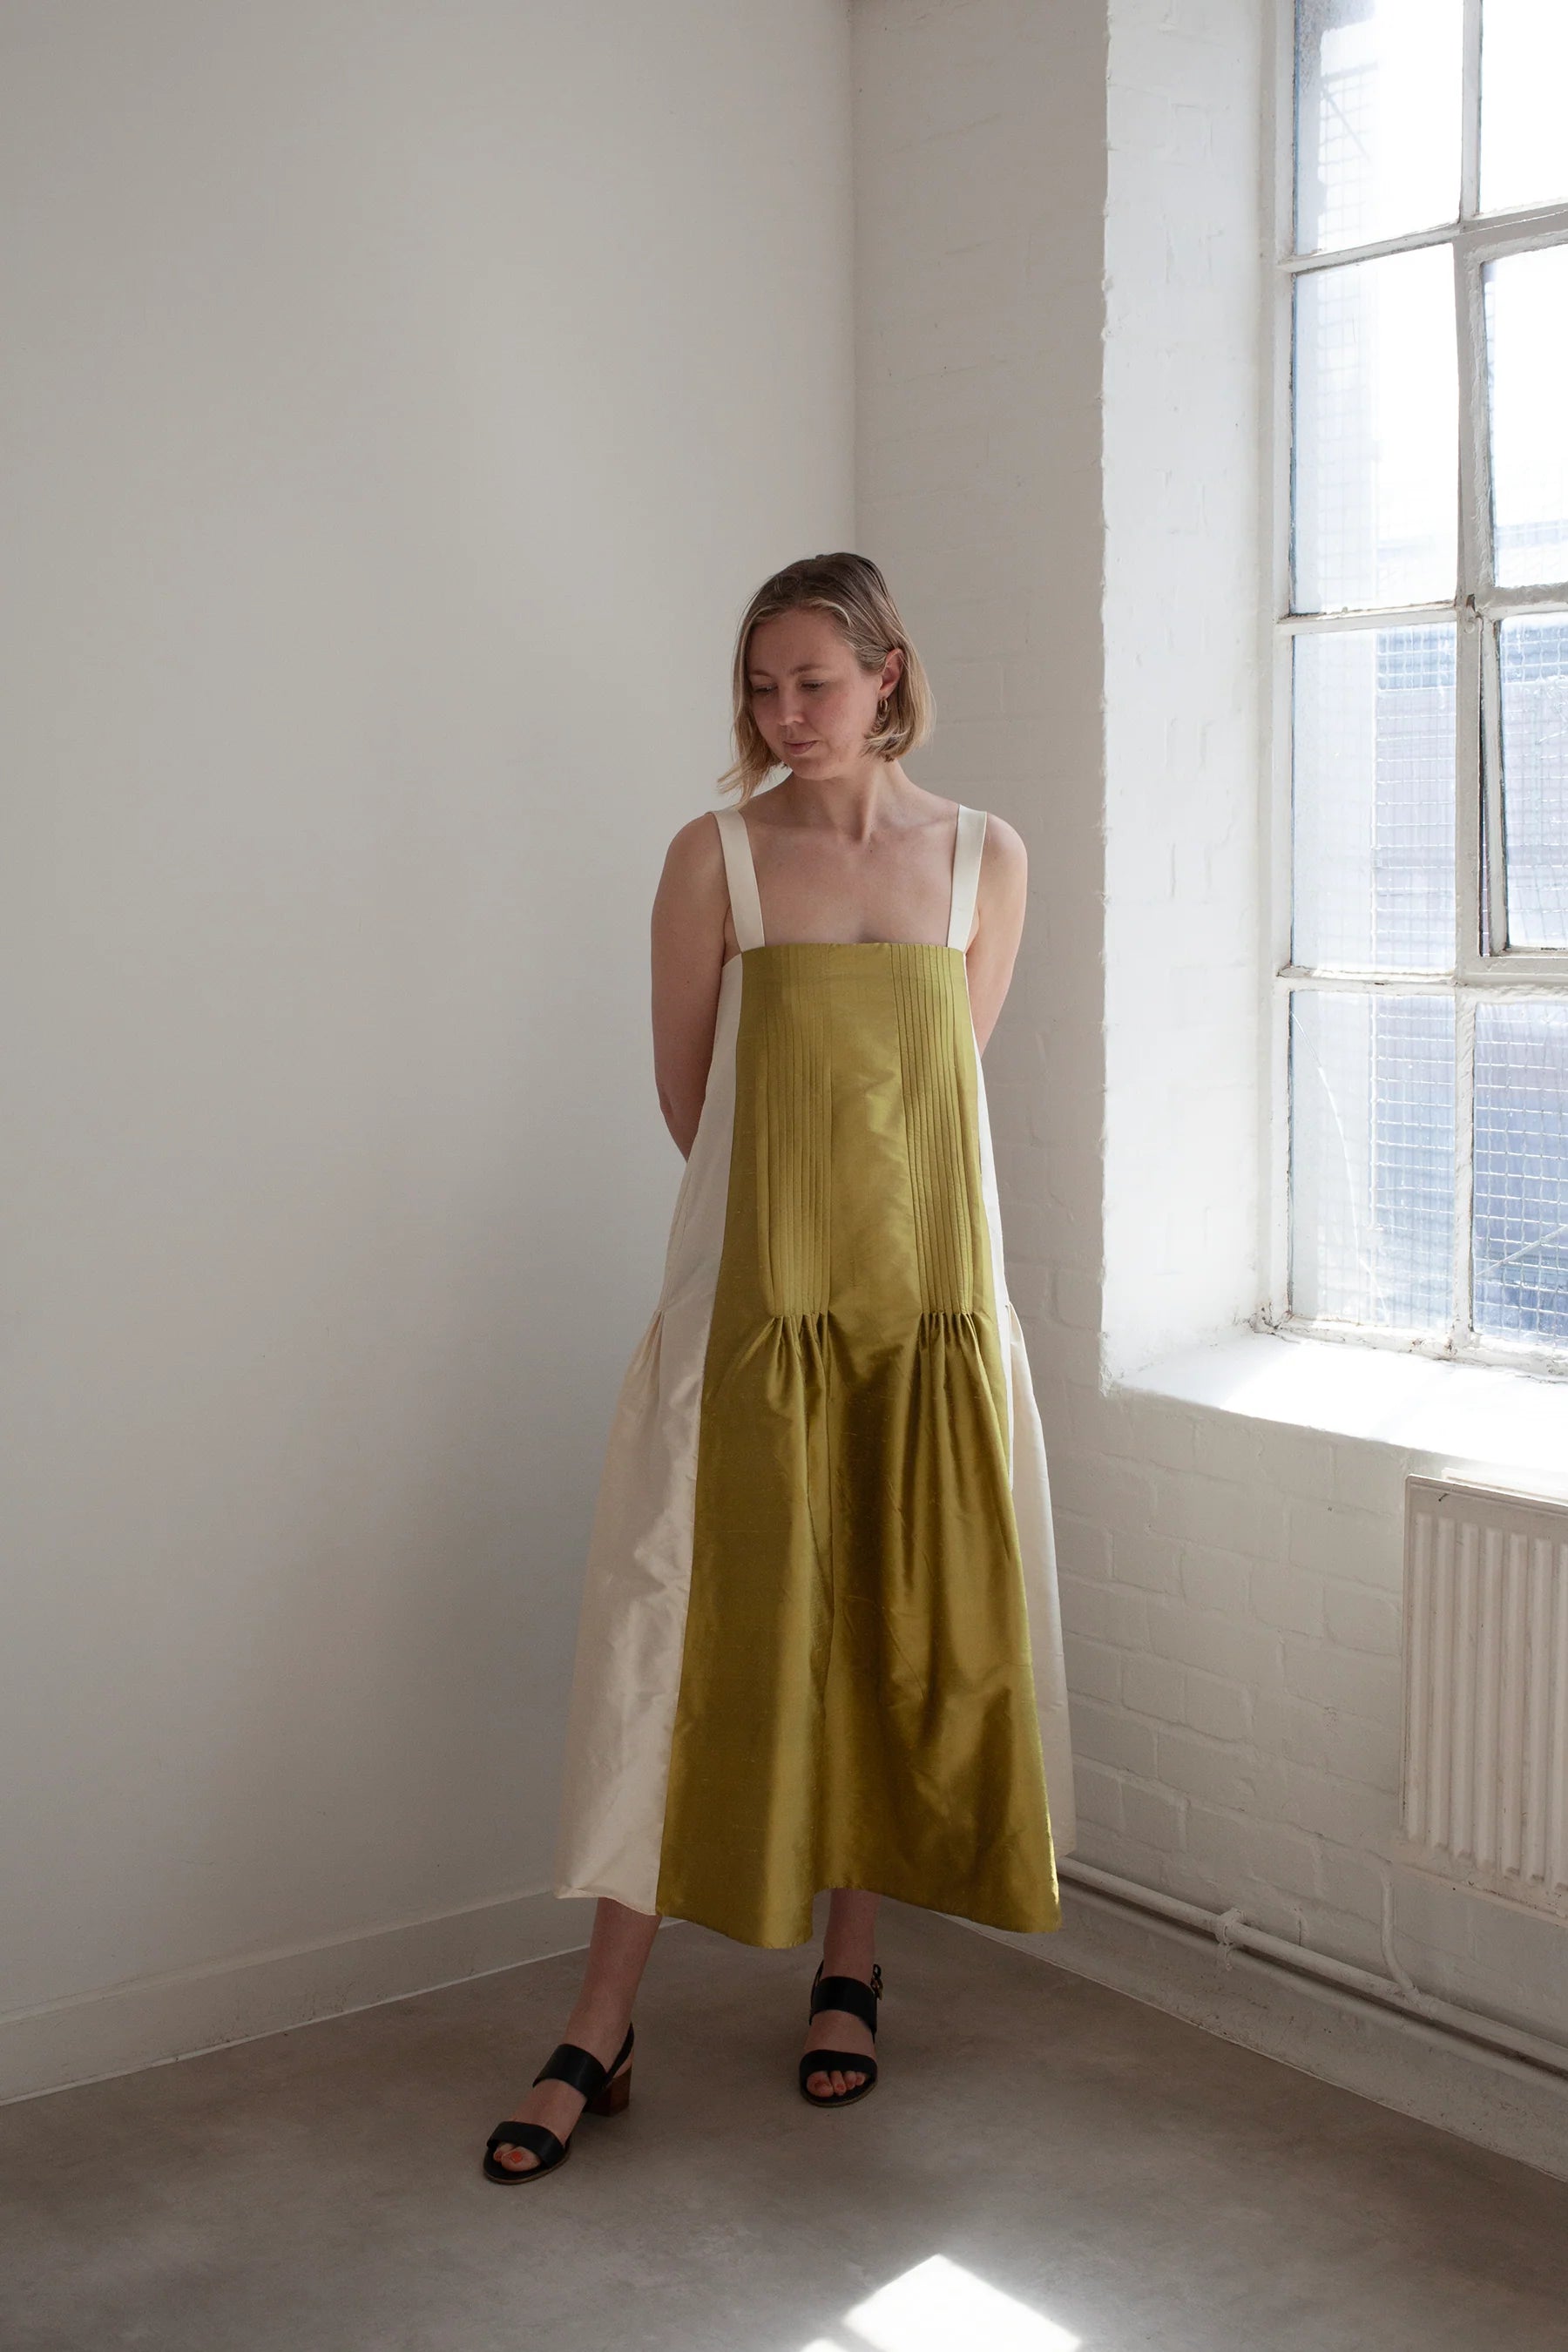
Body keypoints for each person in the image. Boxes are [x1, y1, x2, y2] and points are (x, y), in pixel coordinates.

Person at [483, 552, 1075, 2185]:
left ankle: (849, 1966)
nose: (784, 714)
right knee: (681, 1634)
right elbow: (695, 1102)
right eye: (761, 686)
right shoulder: (716, 860)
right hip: (756, 1302)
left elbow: (944, 1078)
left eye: (814, 681)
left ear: (889, 675)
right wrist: (787, 1251)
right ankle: (600, 2021)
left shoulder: (986, 858)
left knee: (890, 1617)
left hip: (927, 1305)